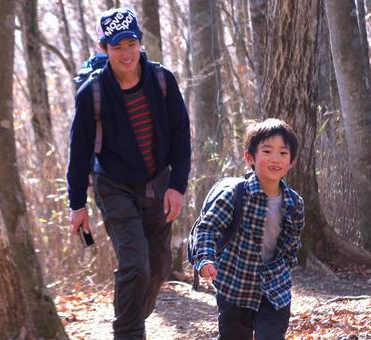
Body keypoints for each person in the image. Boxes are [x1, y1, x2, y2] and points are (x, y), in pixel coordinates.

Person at [66, 7, 191, 340]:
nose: (125, 53)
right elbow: (78, 153)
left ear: (140, 42)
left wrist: (177, 186)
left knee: (158, 265)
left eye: (130, 44)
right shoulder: (92, 93)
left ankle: (131, 316)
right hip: (114, 185)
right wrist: (77, 204)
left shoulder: (162, 80)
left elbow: (181, 134)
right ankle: (127, 331)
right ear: (104, 47)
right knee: (135, 263)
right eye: (116, 45)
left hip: (158, 183)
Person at [191, 118, 305, 340]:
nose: (275, 159)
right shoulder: (236, 194)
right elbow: (207, 228)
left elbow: (293, 242)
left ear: (291, 162)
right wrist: (205, 259)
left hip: (275, 289)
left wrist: (285, 268)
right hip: (235, 285)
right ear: (250, 157)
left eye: (283, 153)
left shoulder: (295, 203)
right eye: (267, 151)